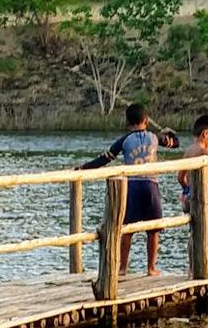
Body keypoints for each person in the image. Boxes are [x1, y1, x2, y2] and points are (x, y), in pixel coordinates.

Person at [77, 104, 180, 277]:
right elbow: (175, 144)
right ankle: (151, 268)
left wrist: (83, 168)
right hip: (151, 186)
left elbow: (104, 159)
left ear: (127, 122)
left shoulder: (124, 141)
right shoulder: (154, 137)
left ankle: (123, 268)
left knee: (127, 229)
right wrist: (169, 133)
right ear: (146, 120)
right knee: (154, 230)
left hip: (132, 186)